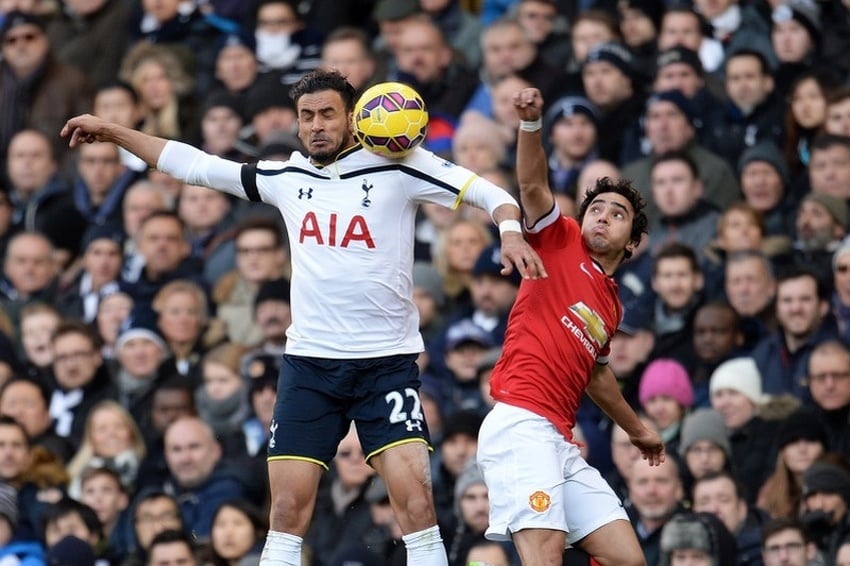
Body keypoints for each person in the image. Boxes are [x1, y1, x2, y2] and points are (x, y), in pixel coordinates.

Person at [61, 68, 544, 566]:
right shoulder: (286, 178)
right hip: (310, 366)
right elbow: (194, 166)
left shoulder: (398, 165)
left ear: (354, 119)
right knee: (287, 510)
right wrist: (115, 131)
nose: (315, 125)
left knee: (416, 506)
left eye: (327, 114)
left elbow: (492, 194)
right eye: (306, 116)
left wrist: (509, 232)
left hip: (386, 364)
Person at [475, 86, 664, 566]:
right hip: (520, 424)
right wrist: (531, 124)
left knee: (628, 560)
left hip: (558, 438)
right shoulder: (561, 240)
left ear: (632, 243)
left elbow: (597, 376)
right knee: (545, 557)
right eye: (597, 209)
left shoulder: (613, 306)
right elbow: (534, 187)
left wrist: (638, 431)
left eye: (617, 214)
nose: (602, 217)